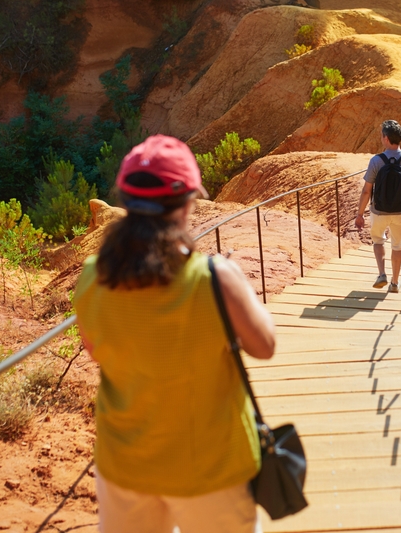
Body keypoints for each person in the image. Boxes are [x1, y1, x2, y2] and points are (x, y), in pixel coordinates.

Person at [74, 134, 276, 533]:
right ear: (186, 204)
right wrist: (236, 284)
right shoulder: (215, 278)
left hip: (126, 464)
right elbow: (264, 346)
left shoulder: (93, 275)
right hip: (212, 466)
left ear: (128, 203)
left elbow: (96, 350)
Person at [354, 120, 401, 294]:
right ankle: (395, 283)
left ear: (385, 138)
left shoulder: (376, 161)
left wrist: (360, 214)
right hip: (400, 211)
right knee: (397, 246)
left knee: (378, 240)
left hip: (379, 211)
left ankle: (382, 273)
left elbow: (366, 191)